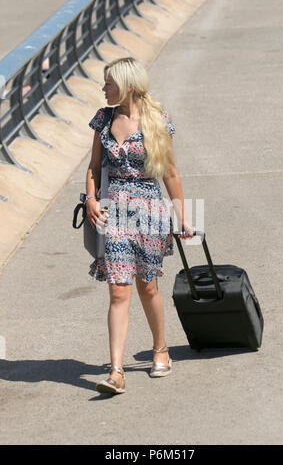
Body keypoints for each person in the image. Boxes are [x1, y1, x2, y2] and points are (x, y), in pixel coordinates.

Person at [86, 57, 194, 395]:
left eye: (109, 83)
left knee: (147, 287)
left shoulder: (157, 121)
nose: (103, 89)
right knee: (119, 290)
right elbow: (93, 166)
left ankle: (160, 348)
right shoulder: (103, 119)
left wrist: (182, 218)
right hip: (113, 212)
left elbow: (170, 173)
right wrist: (91, 198)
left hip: (149, 213)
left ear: (127, 85)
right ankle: (116, 371)